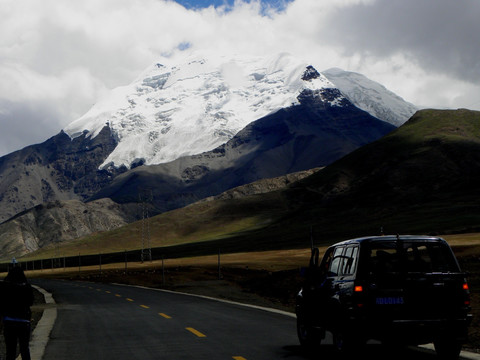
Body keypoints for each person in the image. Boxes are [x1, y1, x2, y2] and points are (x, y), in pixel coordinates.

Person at [0, 259, 34, 360]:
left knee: (10, 351)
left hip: (9, 322)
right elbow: (30, 302)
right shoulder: (27, 287)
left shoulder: (5, 287)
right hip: (24, 322)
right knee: (24, 349)